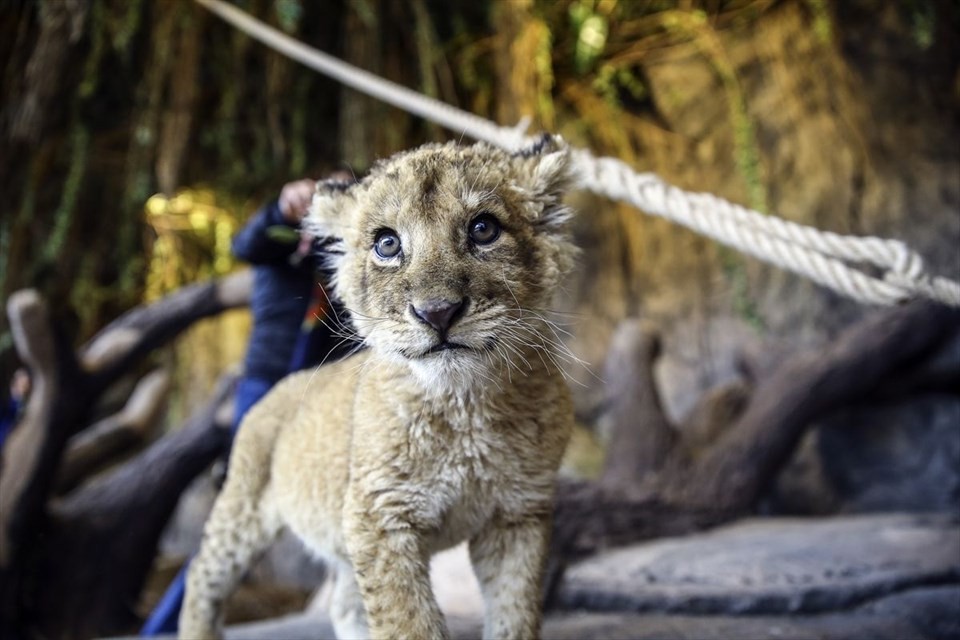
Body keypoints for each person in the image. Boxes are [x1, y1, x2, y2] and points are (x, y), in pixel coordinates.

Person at [141, 176, 354, 635]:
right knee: (235, 516)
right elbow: (246, 242)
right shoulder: (279, 244)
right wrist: (281, 209)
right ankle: (162, 629)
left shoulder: (348, 256)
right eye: (324, 192)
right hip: (266, 383)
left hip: (321, 393)